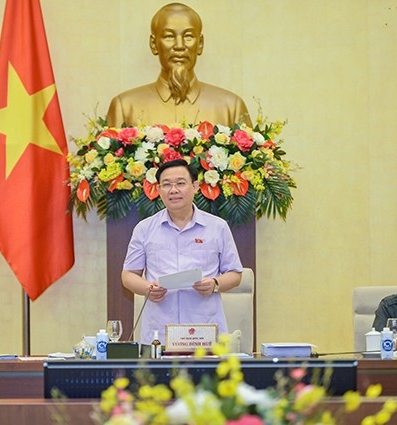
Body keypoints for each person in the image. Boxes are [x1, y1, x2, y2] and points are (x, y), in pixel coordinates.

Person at [121, 159, 243, 345]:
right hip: (159, 332)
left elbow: (235, 274)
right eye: (166, 185)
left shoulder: (217, 227)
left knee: (206, 375)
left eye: (180, 183)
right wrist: (147, 289)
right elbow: (128, 274)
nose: (173, 190)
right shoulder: (144, 228)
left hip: (205, 329)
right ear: (159, 190)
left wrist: (215, 284)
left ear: (195, 186)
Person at [106, 2, 251, 128]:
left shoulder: (231, 107)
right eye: (169, 36)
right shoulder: (125, 106)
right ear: (154, 44)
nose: (179, 46)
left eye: (188, 36)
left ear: (200, 44)